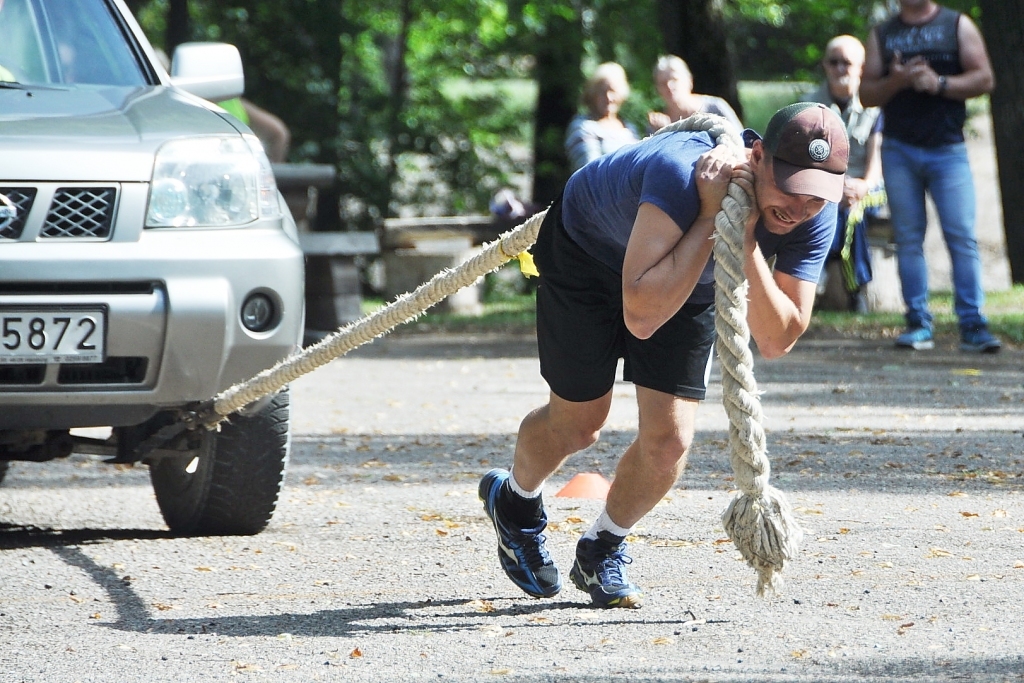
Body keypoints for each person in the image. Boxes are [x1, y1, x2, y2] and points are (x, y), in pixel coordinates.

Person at [480, 102, 849, 608]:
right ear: (757, 156)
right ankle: (514, 501)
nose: (801, 205)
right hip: (587, 253)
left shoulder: (810, 213)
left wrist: (741, 240)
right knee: (579, 424)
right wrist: (708, 214)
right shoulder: (683, 171)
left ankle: (602, 548)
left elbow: (777, 337)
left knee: (669, 442)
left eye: (816, 193)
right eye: (790, 186)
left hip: (686, 276)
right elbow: (642, 313)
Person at [860, 0, 1000, 352]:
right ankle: (918, 323)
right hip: (899, 149)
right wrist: (897, 81)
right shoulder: (883, 32)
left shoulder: (957, 25)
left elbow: (984, 78)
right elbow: (866, 93)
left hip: (947, 150)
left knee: (962, 237)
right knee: (908, 238)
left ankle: (973, 325)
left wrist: (937, 82)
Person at [803, 35, 885, 312]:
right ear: (824, 65)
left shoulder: (875, 106)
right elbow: (802, 159)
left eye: (846, 63)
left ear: (861, 67)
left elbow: (877, 164)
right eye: (833, 62)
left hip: (868, 187)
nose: (839, 69)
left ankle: (840, 283)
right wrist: (832, 186)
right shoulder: (808, 106)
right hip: (824, 186)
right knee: (830, 206)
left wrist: (863, 185)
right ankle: (850, 287)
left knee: (853, 211)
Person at [564, 62, 640, 172]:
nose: (608, 98)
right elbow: (590, 171)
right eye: (602, 92)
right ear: (592, 94)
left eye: (613, 91)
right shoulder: (583, 127)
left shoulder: (630, 128)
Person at [647, 55, 743, 134]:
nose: (669, 86)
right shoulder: (657, 124)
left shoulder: (715, 107)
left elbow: (744, 143)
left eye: (674, 80)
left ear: (689, 81)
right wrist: (663, 133)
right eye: (663, 83)